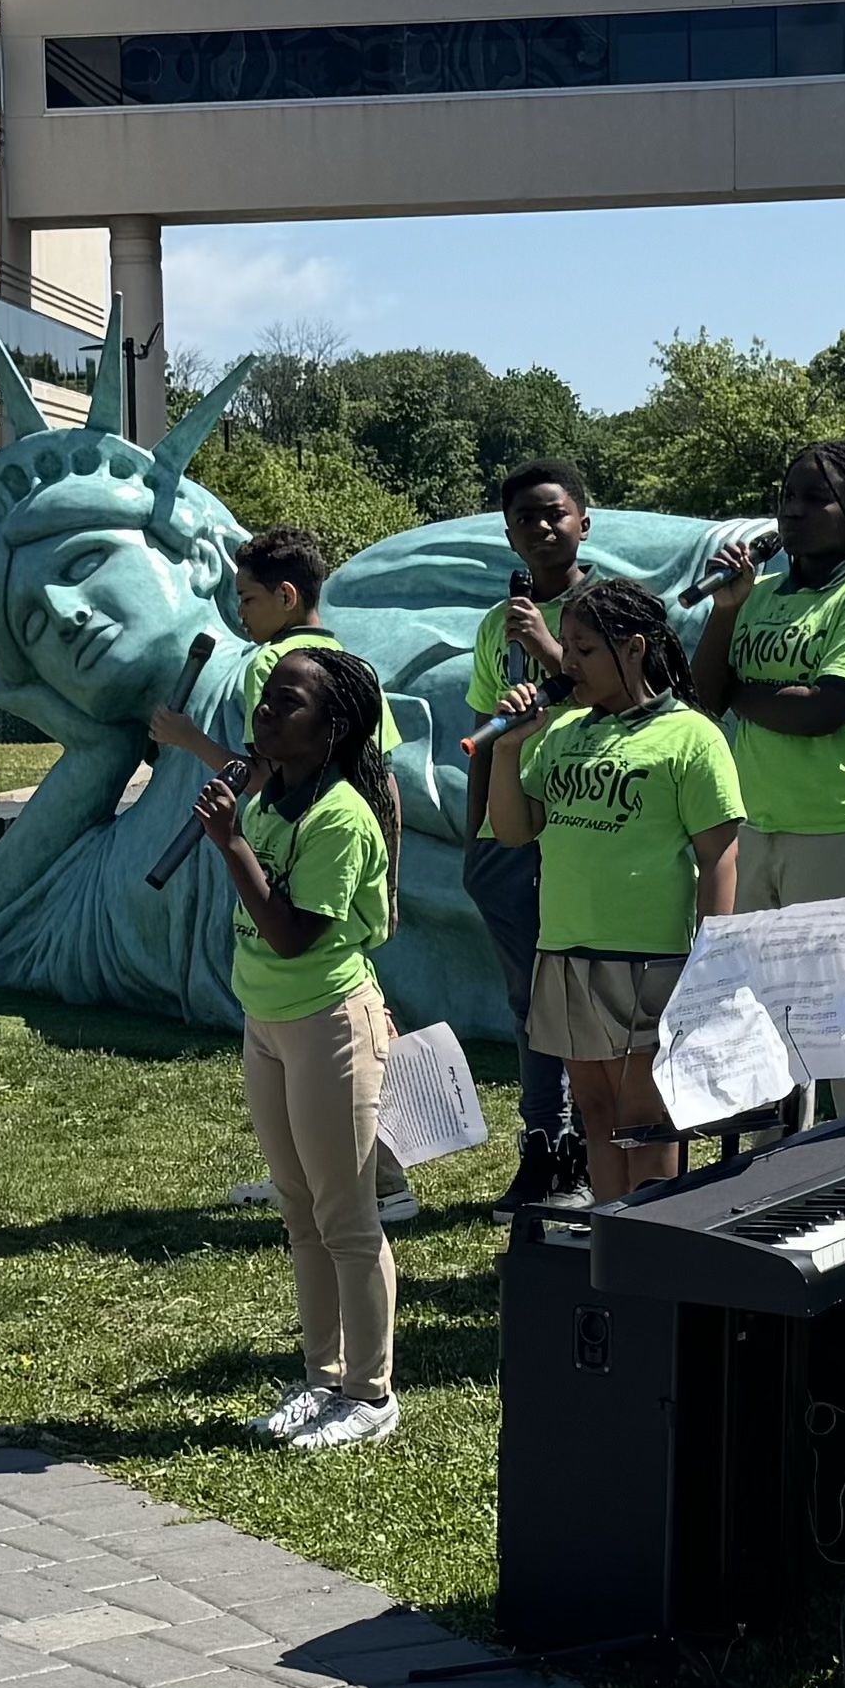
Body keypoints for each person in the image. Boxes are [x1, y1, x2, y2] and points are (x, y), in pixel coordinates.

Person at [149, 524, 415, 1227]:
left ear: (287, 595)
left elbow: (259, 769)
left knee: (339, 1025)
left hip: (303, 867)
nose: (239, 612)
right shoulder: (350, 664)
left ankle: (376, 1179)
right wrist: (382, 880)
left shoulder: (279, 665)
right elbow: (379, 780)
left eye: (247, 597)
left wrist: (185, 741)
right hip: (346, 869)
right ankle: (315, 1172)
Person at [196, 645, 407, 1451]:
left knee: (345, 1216)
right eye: (265, 701)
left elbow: (289, 934)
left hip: (327, 1020)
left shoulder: (340, 815)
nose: (265, 715)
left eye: (288, 704)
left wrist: (229, 843)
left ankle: (370, 1392)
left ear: (332, 728)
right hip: (268, 1022)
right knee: (298, 1209)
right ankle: (323, 1378)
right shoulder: (266, 798)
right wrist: (237, 831)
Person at [481, 579, 743, 1202]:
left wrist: (708, 966)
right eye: (565, 646)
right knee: (596, 1115)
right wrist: (509, 748)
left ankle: (652, 1263)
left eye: (584, 648)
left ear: (634, 649)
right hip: (566, 951)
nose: (566, 662)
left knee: (645, 1123)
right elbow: (515, 831)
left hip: (650, 960)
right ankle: (609, 1252)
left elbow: (720, 859)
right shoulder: (562, 731)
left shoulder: (691, 736)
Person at [692, 437, 845, 1129]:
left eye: (815, 497)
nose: (792, 512)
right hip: (758, 828)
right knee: (764, 1017)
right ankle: (774, 1175)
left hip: (843, 833)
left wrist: (743, 690)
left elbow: (825, 708)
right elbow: (704, 692)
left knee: (844, 1021)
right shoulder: (758, 595)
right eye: (786, 496)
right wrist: (727, 609)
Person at [463, 462, 596, 1212]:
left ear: (583, 520)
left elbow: (627, 704)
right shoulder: (495, 623)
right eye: (524, 519)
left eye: (554, 514)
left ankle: (583, 1143)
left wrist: (551, 647)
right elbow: (485, 732)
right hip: (507, 839)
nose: (541, 528)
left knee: (580, 992)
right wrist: (476, 841)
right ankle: (540, 1142)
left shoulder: (612, 610)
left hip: (588, 830)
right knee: (528, 998)